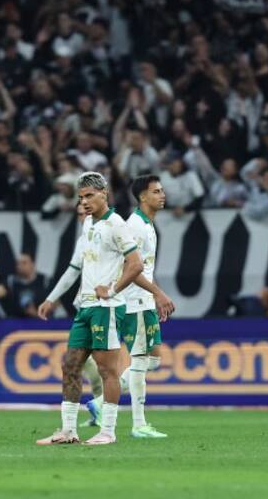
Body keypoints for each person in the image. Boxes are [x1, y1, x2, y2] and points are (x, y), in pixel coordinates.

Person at [35, 172, 143, 446]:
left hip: (106, 308)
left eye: (89, 196)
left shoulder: (117, 224)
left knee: (108, 371)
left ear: (104, 194)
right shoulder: (89, 225)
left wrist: (113, 290)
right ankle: (68, 431)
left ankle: (108, 431)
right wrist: (52, 298)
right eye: (80, 197)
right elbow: (76, 267)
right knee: (70, 365)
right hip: (85, 307)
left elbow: (135, 264)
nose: (83, 202)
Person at [87, 174, 175, 438]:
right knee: (140, 359)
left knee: (153, 360)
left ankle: (100, 403)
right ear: (143, 197)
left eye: (162, 191)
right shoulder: (135, 226)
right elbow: (131, 267)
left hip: (144, 299)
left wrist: (155, 296)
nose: (162, 195)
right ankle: (138, 424)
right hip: (134, 301)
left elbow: (145, 268)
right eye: (156, 191)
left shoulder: (147, 225)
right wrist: (158, 294)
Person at [0, 253, 48, 318]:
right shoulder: (11, 281)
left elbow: (54, 303)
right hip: (16, 321)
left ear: (32, 264)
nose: (20, 266)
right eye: (18, 263)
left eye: (24, 263)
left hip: (40, 322)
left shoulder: (44, 281)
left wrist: (36, 314)